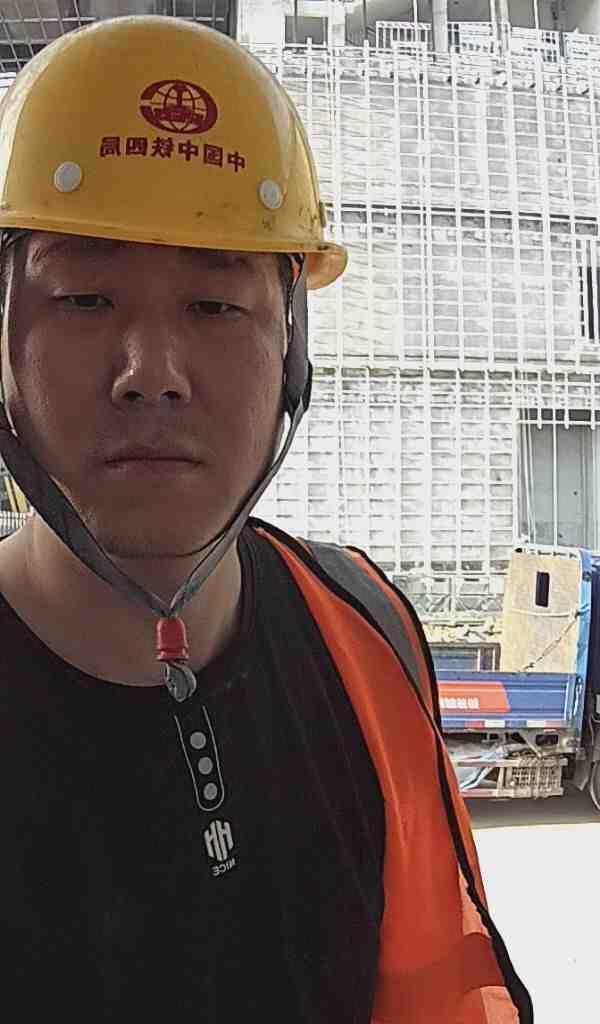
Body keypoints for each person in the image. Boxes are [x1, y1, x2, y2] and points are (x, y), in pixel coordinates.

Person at [0, 16, 532, 1023]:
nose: (151, 373)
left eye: (214, 307)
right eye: (83, 298)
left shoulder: (366, 636)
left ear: (292, 347)